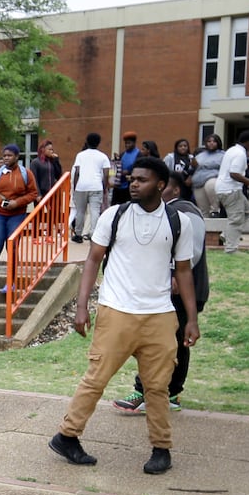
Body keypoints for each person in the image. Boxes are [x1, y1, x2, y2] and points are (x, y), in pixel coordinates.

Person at [49, 158, 197, 475]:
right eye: (132, 178)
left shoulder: (178, 222)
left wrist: (192, 319)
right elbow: (92, 260)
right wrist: (81, 306)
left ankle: (161, 449)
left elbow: (184, 271)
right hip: (116, 311)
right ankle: (67, 436)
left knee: (158, 387)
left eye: (142, 180)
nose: (133, 183)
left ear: (160, 185)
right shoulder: (113, 216)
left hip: (159, 315)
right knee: (96, 379)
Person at [114, 170, 208, 415]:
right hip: (163, 291)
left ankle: (171, 393)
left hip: (183, 292)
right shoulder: (160, 214)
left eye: (161, 186)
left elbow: (193, 252)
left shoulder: (187, 211)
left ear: (174, 190)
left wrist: (175, 274)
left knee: (176, 344)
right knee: (156, 342)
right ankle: (145, 389)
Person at [0, 144, 40, 299]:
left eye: (9, 155)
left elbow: (33, 193)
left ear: (16, 156)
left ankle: (11, 282)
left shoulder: (26, 173)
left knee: (12, 248)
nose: (6, 158)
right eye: (4, 155)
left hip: (17, 215)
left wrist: (18, 202)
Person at [214, 130, 249, 253]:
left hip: (226, 188)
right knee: (236, 219)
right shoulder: (240, 154)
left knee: (247, 211)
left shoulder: (232, 150)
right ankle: (231, 249)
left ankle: (226, 234)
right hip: (230, 189)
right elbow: (234, 173)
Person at [70, 133, 110, 244]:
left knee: (80, 211)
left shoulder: (80, 155)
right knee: (95, 211)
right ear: (98, 143)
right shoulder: (103, 156)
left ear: (87, 141)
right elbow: (106, 174)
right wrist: (104, 187)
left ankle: (78, 234)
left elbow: (77, 172)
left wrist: (75, 187)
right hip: (96, 186)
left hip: (81, 186)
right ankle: (94, 235)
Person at [193, 133, 225, 215]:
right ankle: (206, 226)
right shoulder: (200, 155)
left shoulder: (222, 154)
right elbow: (193, 166)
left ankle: (215, 210)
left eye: (214, 141)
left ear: (218, 143)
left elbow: (219, 164)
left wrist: (202, 165)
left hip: (212, 177)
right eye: (209, 141)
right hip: (198, 182)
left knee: (211, 186)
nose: (211, 143)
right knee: (203, 209)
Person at [112, 131, 140, 206]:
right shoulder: (122, 154)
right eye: (126, 143)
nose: (127, 145)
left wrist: (128, 172)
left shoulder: (139, 154)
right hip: (119, 185)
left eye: (129, 143)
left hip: (129, 185)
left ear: (134, 143)